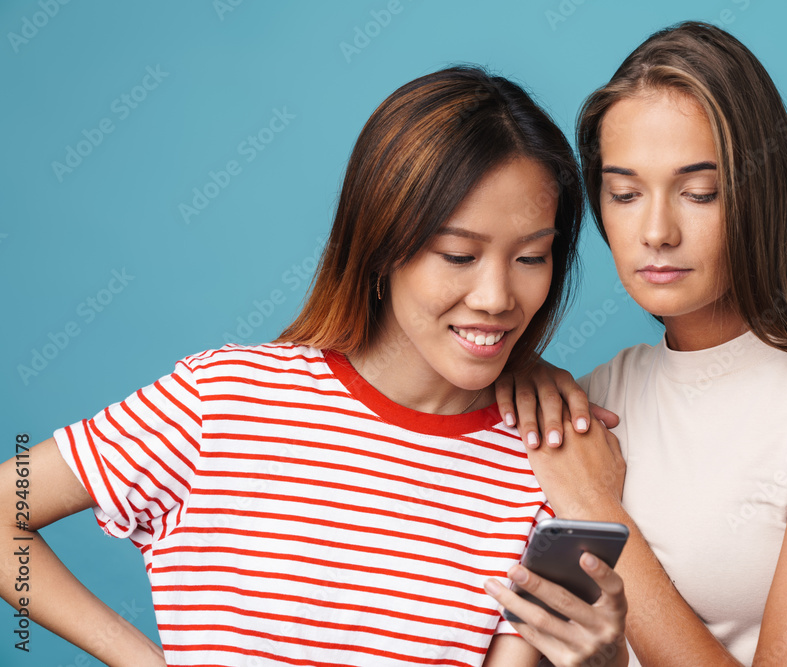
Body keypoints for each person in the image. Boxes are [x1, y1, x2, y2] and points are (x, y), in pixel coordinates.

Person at [0, 67, 629, 667]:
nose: (496, 297)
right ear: (382, 244)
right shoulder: (221, 402)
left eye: (531, 258)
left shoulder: (541, 465)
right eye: (459, 255)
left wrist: (598, 660)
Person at [491, 22, 787, 667]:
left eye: (698, 192)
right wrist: (517, 369)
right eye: (625, 193)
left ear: (762, 192)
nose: (656, 231)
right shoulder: (590, 403)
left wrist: (596, 506)